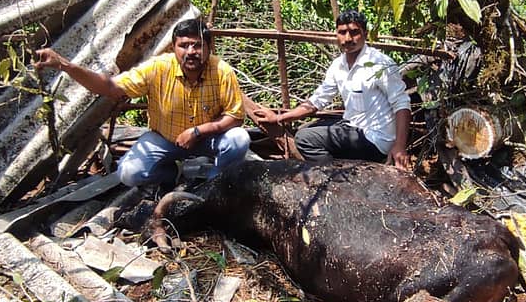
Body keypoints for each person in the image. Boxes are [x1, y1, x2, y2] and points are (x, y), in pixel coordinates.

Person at [34, 19, 250, 189]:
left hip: (206, 139)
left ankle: (213, 185)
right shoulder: (157, 68)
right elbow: (110, 87)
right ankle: (171, 175)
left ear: (209, 47)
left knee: (239, 139)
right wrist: (64, 65)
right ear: (174, 48)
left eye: (197, 45)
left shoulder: (222, 70)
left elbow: (235, 116)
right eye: (184, 46)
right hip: (165, 139)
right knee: (129, 173)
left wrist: (198, 131)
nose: (191, 52)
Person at [254, 10, 412, 170]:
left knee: (304, 139)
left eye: (354, 32)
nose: (348, 38)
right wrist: (279, 118)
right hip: (352, 127)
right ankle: (338, 168)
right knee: (308, 129)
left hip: (375, 138)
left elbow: (402, 104)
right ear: (336, 34)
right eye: (342, 32)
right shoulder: (338, 65)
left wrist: (399, 146)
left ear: (365, 34)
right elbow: (316, 102)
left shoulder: (379, 63)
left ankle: (334, 177)